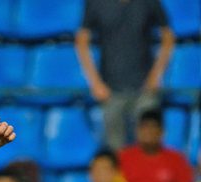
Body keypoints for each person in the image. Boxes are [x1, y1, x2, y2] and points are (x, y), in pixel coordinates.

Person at [75, 0, 175, 153]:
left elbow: (168, 36)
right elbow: (81, 40)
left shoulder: (149, 2)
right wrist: (95, 82)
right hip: (111, 89)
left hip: (144, 89)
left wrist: (157, 74)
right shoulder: (96, 3)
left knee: (148, 148)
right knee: (114, 151)